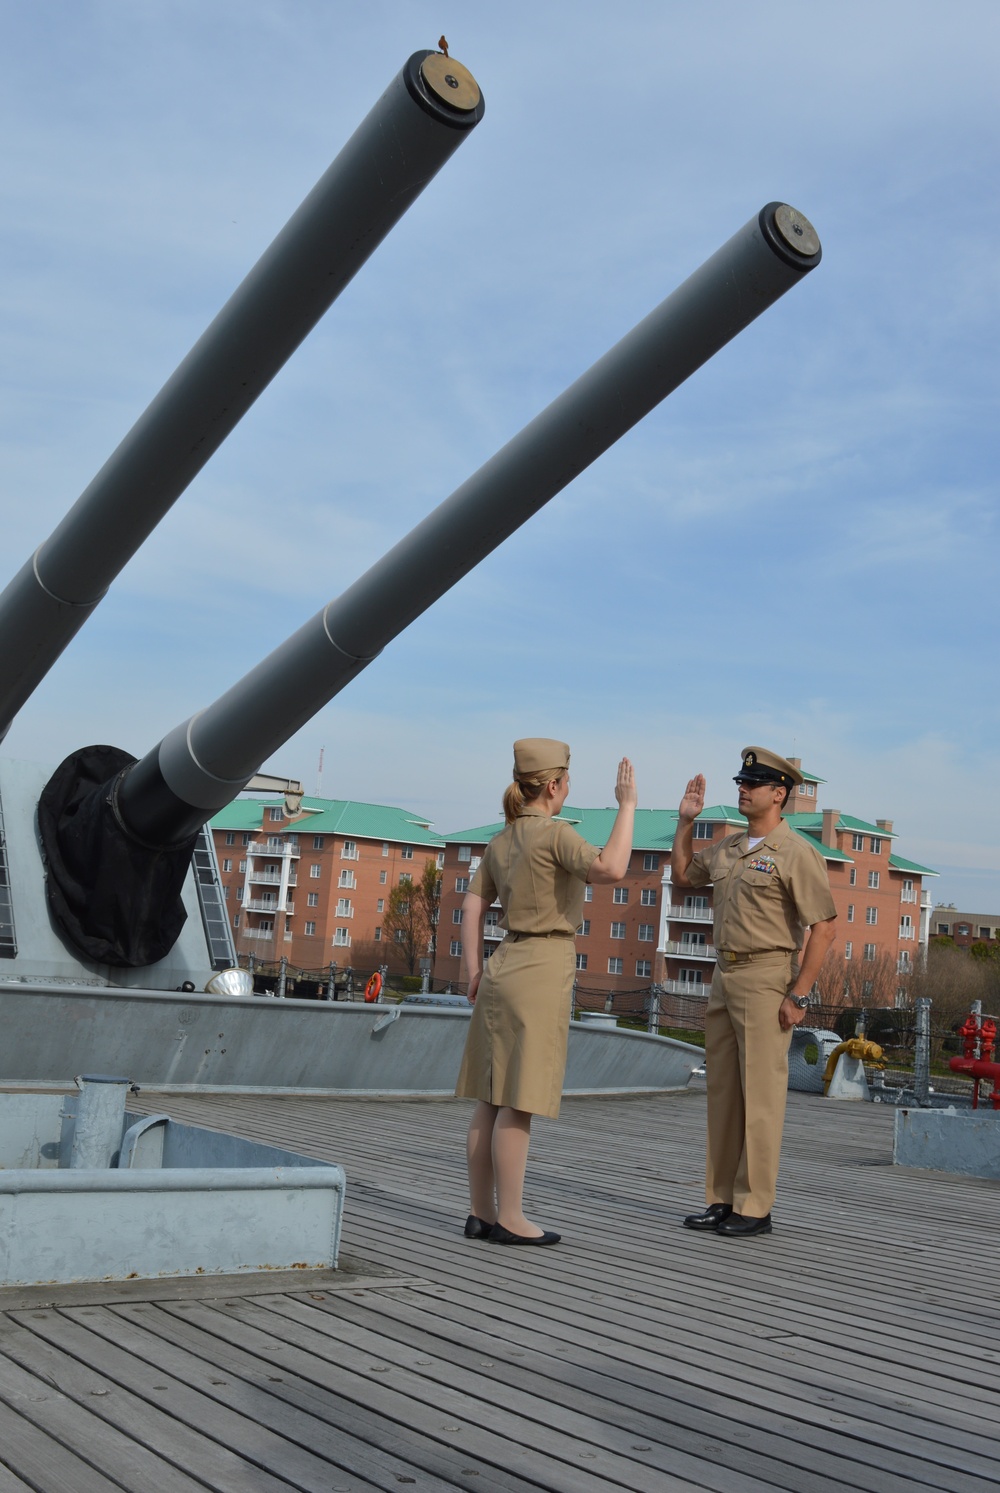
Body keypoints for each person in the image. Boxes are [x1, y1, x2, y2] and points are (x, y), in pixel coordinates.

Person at [455, 739, 637, 1246]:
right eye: (567, 784)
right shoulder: (556, 835)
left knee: (489, 1099)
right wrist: (627, 805)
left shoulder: (501, 840)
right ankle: (511, 1219)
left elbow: (471, 908)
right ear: (554, 786)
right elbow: (611, 869)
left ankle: (479, 1212)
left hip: (501, 962)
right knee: (520, 1100)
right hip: (541, 965)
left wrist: (473, 971)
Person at [671, 746, 836, 1238]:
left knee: (761, 1098)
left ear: (779, 794)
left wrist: (798, 995)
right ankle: (721, 1199)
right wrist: (685, 823)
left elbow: (824, 928)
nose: (742, 789)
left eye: (753, 784)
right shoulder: (730, 848)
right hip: (724, 977)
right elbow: (683, 876)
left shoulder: (796, 853)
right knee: (722, 1093)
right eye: (741, 782)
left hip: (768, 980)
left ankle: (756, 1207)